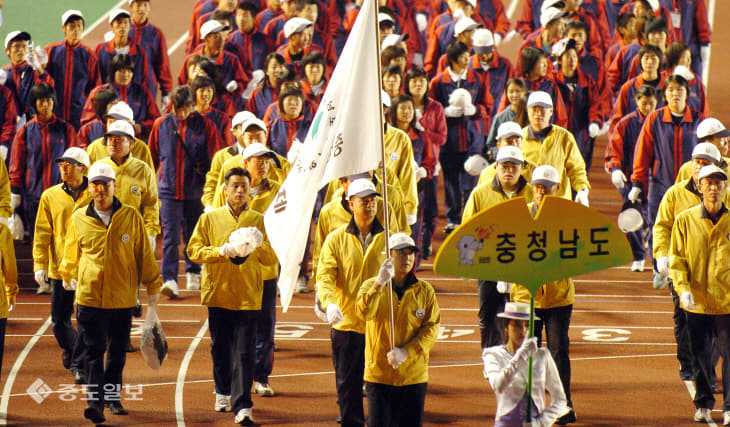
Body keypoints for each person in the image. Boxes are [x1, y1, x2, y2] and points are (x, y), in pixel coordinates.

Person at [58, 161, 161, 424]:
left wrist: (153, 287)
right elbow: (71, 252)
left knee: (116, 353)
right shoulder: (80, 217)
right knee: (94, 352)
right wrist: (66, 274)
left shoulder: (131, 217)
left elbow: (143, 256)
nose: (100, 189)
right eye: (95, 184)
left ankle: (112, 397)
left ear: (115, 186)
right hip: (90, 297)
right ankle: (95, 404)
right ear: (89, 186)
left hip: (122, 299)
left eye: (105, 184)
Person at [187, 166, 277, 425]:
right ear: (225, 189)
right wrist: (222, 251)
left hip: (249, 295)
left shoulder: (259, 220)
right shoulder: (210, 219)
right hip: (219, 294)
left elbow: (271, 258)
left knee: (246, 352)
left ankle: (243, 405)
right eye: (234, 186)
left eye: (244, 186)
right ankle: (222, 391)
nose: (239, 191)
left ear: (250, 190)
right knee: (221, 348)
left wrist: (260, 246)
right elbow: (193, 250)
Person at [506, 164, 577, 425]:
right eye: (537, 186)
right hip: (527, 297)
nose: (540, 191)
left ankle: (564, 404)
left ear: (556, 188)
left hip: (558, 296)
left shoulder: (567, 218)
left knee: (559, 352)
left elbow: (575, 255)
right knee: (527, 353)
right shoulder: (520, 216)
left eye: (546, 187)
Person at [654, 142, 728, 387]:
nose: (698, 167)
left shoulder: (725, 193)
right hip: (683, 269)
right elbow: (662, 226)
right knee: (683, 318)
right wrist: (661, 254)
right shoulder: (675, 194)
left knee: (717, 327)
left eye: (705, 163)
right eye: (696, 162)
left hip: (718, 275)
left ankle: (704, 370)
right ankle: (690, 365)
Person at [316, 178, 389, 427]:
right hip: (347, 323)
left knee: (381, 384)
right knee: (348, 386)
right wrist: (329, 303)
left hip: (380, 323)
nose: (369, 205)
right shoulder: (336, 239)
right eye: (363, 201)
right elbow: (325, 276)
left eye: (372, 200)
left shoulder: (390, 239)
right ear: (350, 204)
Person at [356, 233, 441, 427]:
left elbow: (431, 329)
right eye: (402, 253)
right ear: (389, 255)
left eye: (411, 253)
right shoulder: (371, 286)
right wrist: (378, 284)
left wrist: (406, 352)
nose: (408, 258)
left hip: (413, 376)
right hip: (379, 375)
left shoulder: (425, 290)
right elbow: (363, 312)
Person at [149, 86, 224, 297]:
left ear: (192, 106)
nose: (181, 113)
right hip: (168, 191)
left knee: (193, 234)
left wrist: (212, 189)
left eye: (186, 108)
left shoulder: (205, 125)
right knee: (171, 236)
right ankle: (170, 279)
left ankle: (193, 270)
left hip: (195, 191)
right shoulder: (161, 125)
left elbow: (217, 158)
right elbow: (153, 157)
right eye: (178, 108)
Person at [670, 165, 730, 425]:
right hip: (697, 303)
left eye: (719, 183)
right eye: (709, 183)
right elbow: (678, 260)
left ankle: (729, 406)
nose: (714, 188)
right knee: (700, 357)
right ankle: (704, 403)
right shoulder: (684, 220)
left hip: (728, 302)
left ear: (725, 188)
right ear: (700, 187)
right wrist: (683, 290)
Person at [629, 74, 704, 270]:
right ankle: (658, 267)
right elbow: (642, 152)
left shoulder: (699, 120)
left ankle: (687, 267)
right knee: (658, 225)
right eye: (671, 90)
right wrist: (637, 182)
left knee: (691, 226)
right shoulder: (654, 119)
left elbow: (709, 152)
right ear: (665, 94)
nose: (675, 94)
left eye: (679, 90)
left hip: (691, 186)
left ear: (687, 94)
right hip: (660, 184)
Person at [463, 146, 532, 351]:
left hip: (521, 266)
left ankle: (520, 359)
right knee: (488, 313)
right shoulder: (480, 193)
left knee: (521, 316)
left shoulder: (532, 193)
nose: (508, 171)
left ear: (522, 168)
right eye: (504, 166)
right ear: (496, 167)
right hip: (489, 265)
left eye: (514, 166)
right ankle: (490, 358)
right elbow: (467, 229)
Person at [33, 147, 91, 384]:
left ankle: (79, 364)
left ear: (83, 169)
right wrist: (40, 263)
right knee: (59, 320)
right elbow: (42, 232)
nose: (64, 168)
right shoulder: (50, 196)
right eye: (61, 164)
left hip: (88, 268)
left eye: (70, 164)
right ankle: (74, 349)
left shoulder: (96, 193)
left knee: (87, 319)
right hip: (60, 269)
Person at [9, 82, 77, 243]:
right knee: (38, 241)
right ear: (34, 104)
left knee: (62, 240)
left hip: (62, 194)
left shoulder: (66, 129)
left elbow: (76, 161)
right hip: (33, 197)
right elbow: (17, 164)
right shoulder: (25, 131)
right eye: (41, 101)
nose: (45, 105)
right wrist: (15, 193)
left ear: (54, 102)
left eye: (49, 100)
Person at [482, 302, 568, 427]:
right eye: (517, 325)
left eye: (527, 325)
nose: (523, 331)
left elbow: (560, 399)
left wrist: (540, 423)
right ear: (506, 326)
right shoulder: (493, 355)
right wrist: (522, 354)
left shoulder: (542, 355)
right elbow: (498, 385)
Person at [604, 84, 658, 272]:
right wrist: (615, 169)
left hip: (654, 179)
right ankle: (639, 255)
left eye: (651, 104)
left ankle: (655, 255)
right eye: (644, 104)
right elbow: (614, 149)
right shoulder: (625, 124)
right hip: (629, 178)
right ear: (636, 102)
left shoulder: (658, 122)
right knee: (631, 213)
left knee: (653, 215)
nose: (648, 108)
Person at [521, 91, 590, 206]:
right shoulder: (519, 138)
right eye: (534, 110)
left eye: (542, 110)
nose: (538, 114)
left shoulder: (564, 137)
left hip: (559, 203)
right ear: (527, 110)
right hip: (528, 204)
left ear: (551, 111)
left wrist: (582, 190)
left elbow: (576, 168)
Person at [97, 120, 160, 244]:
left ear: (131, 143)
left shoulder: (143, 170)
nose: (113, 143)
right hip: (102, 235)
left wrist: (150, 233)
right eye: (110, 139)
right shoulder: (98, 168)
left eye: (118, 139)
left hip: (132, 235)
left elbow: (151, 204)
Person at [81, 53, 161, 140]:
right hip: (104, 139)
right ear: (113, 72)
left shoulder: (143, 92)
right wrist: (107, 126)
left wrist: (141, 127)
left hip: (134, 140)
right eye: (121, 71)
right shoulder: (98, 93)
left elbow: (156, 120)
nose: (126, 75)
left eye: (129, 71)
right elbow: (86, 121)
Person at [44, 10, 101, 130]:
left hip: (79, 116)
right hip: (52, 113)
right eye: (72, 26)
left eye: (79, 26)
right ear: (63, 28)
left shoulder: (89, 56)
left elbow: (95, 87)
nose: (76, 29)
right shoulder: (50, 51)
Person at [95, 9, 152, 96]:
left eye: (126, 23)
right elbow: (95, 76)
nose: (122, 26)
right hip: (107, 98)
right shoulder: (100, 50)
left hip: (132, 97)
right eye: (118, 23)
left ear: (130, 26)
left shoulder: (139, 51)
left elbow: (144, 78)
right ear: (111, 26)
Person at [485, 78, 528, 157]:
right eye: (511, 92)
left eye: (518, 91)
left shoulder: (530, 114)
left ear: (524, 92)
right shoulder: (500, 117)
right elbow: (491, 144)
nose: (514, 95)